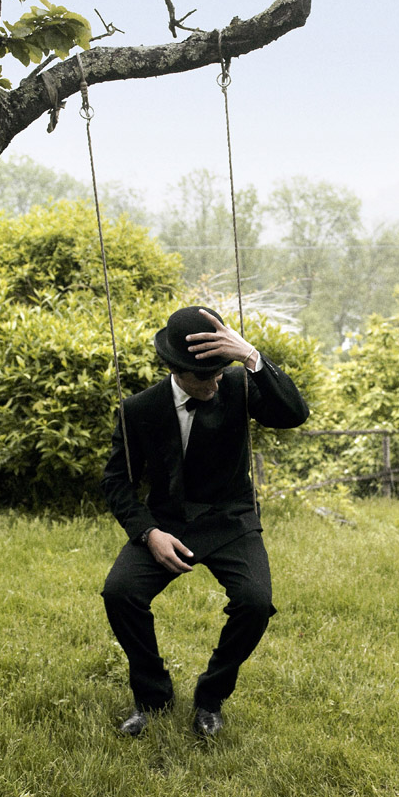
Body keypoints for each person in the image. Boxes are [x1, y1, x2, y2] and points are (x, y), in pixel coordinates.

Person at [100, 305, 310, 738]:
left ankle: (210, 698)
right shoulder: (139, 409)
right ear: (175, 371)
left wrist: (251, 356)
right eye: (204, 378)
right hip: (167, 521)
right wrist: (149, 533)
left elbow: (294, 414)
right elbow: (117, 482)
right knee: (120, 593)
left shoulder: (237, 385)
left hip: (230, 518)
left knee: (255, 603)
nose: (215, 383)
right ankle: (152, 698)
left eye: (219, 372)